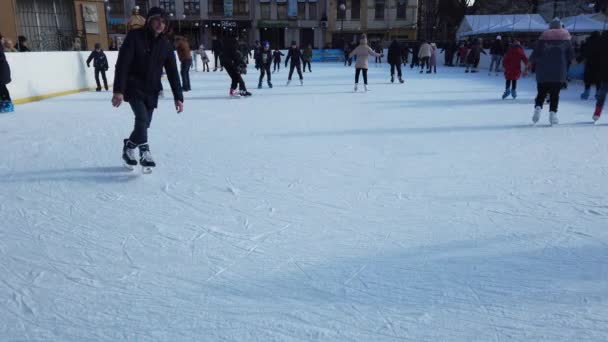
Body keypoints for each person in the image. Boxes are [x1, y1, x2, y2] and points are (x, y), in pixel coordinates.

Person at [112, 6, 184, 171]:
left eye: (164, 22)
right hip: (133, 86)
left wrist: (178, 97)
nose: (161, 24)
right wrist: (118, 90)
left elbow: (173, 72)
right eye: (157, 20)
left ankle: (129, 146)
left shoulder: (165, 45)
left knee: (145, 124)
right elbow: (122, 64)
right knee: (142, 118)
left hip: (151, 90)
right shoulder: (134, 37)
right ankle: (145, 152)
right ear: (150, 21)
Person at [529, 18, 573, 125]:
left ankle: (538, 108)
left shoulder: (543, 37)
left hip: (543, 71)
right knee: (555, 94)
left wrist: (528, 65)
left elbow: (534, 55)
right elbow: (570, 56)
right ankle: (553, 114)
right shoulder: (566, 39)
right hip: (558, 71)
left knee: (541, 93)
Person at [580, 31, 601, 100]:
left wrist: (578, 60)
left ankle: (586, 93)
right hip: (599, 64)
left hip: (589, 64)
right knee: (598, 80)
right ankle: (598, 94)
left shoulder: (589, 42)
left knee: (588, 80)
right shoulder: (602, 42)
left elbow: (584, 52)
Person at [592, 31, 608, 122]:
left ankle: (597, 113)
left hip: (604, 73)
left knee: (602, 95)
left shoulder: (601, 43)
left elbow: (596, 57)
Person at [0, 34, 14, 113]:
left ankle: (8, 103)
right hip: (3, 69)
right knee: (1, 87)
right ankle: (4, 102)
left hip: (2, 69)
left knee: (1, 87)